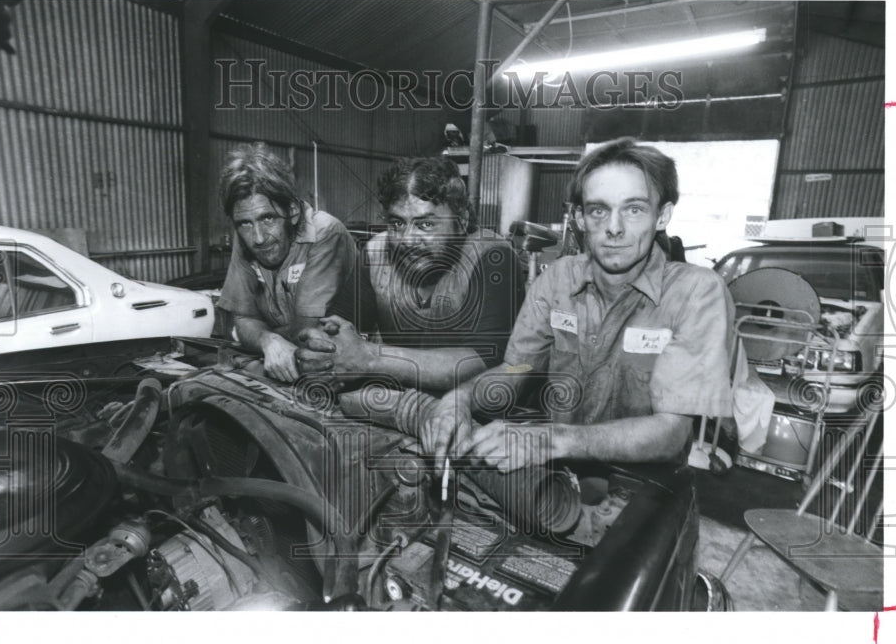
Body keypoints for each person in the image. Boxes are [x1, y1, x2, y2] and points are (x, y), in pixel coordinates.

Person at [422, 137, 735, 470]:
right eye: (599, 210)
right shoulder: (557, 281)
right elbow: (515, 370)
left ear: (662, 216)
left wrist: (550, 439)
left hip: (647, 490)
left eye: (634, 209)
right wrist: (459, 399)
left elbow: (671, 432)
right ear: (580, 218)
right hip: (561, 476)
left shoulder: (696, 293)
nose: (614, 229)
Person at [298, 156, 524, 392]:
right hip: (398, 400)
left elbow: (489, 361)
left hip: (469, 411)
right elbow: (338, 327)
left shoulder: (492, 257)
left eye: (425, 225)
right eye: (397, 223)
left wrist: (370, 358)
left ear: (462, 220)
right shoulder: (376, 253)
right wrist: (322, 353)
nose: (407, 240)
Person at [215, 142, 371, 382]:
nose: (257, 238)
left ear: (293, 212)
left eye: (268, 218)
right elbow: (243, 318)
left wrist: (257, 335)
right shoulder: (246, 236)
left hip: (346, 367)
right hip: (290, 361)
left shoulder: (324, 233)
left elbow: (306, 330)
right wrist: (268, 340)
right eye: (245, 223)